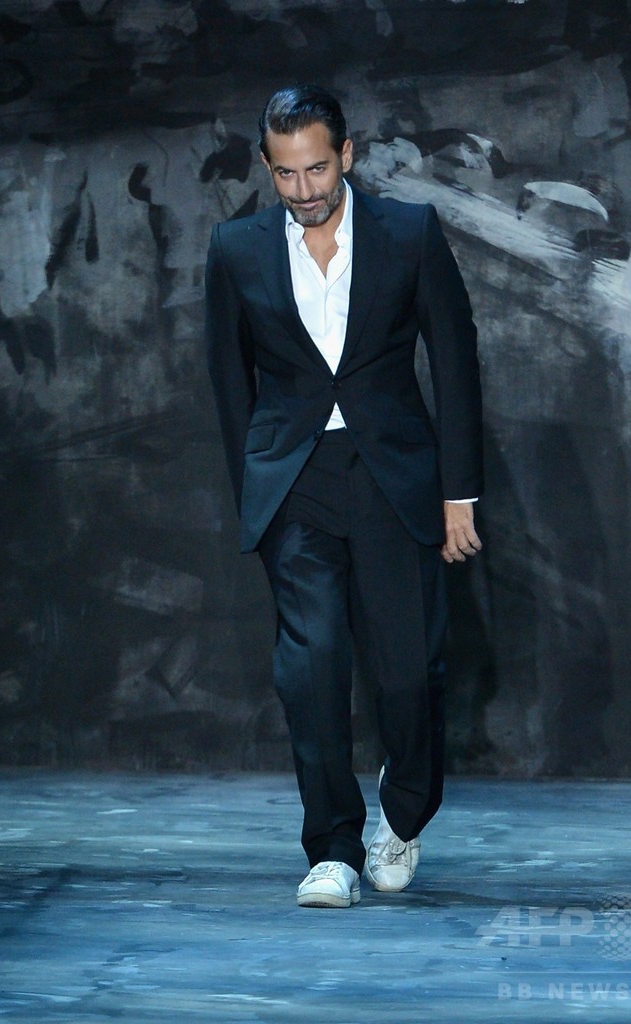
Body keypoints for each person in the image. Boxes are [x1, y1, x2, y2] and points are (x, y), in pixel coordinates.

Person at [205, 84, 483, 908]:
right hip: (296, 480)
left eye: (317, 169)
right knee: (312, 666)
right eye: (286, 173)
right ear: (268, 167)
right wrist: (254, 495)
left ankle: (402, 815)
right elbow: (229, 381)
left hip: (395, 478)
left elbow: (456, 360)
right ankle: (331, 847)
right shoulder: (237, 247)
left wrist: (459, 494)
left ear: (347, 156)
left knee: (408, 672)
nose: (304, 189)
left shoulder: (409, 232)